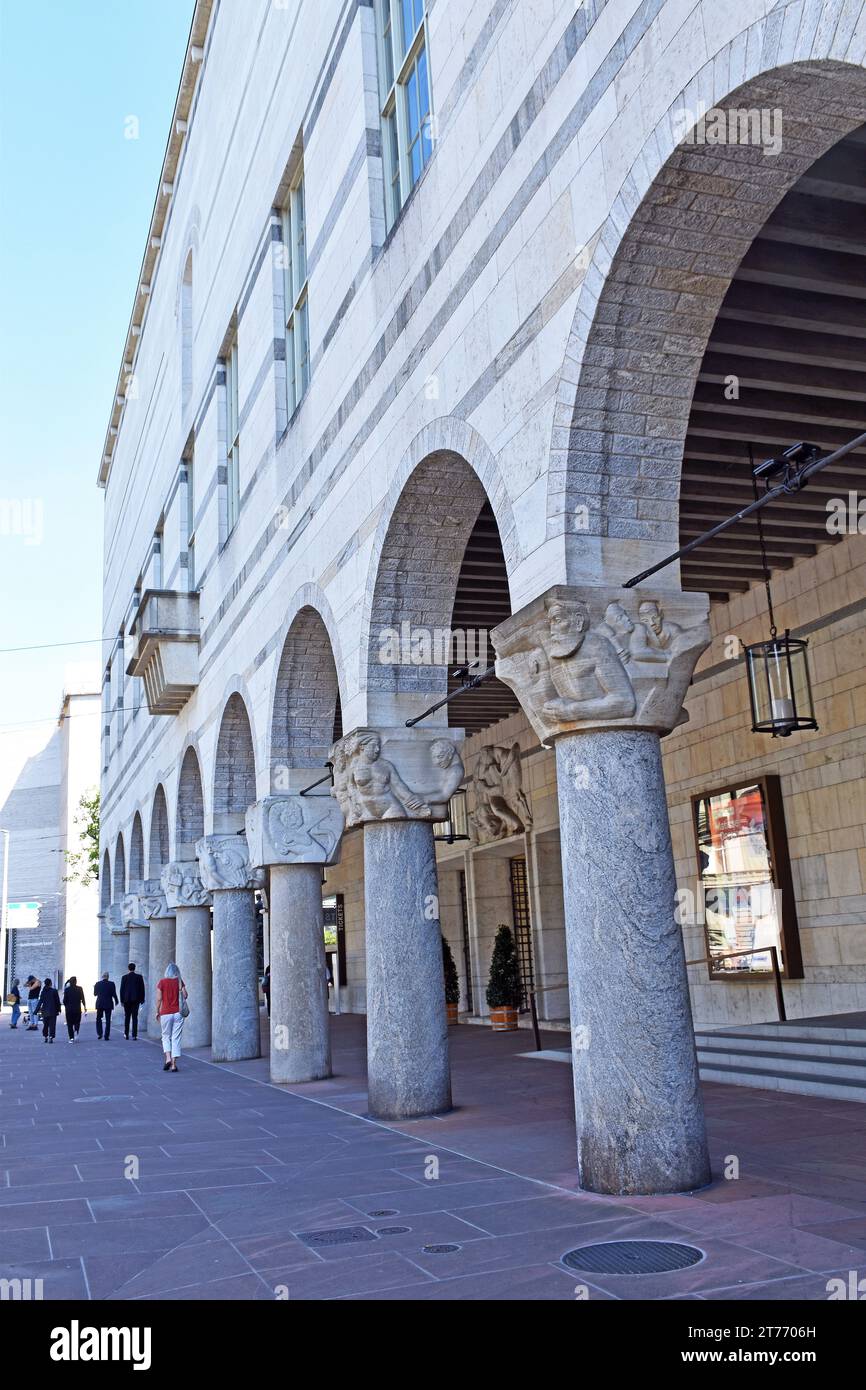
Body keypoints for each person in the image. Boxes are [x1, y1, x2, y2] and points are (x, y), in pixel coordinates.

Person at [156, 962, 187, 1073]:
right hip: (178, 1013)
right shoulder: (179, 981)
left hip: (165, 1012)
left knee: (165, 1036)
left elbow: (159, 998)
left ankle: (168, 1058)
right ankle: (174, 1065)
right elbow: (185, 995)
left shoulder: (162, 982)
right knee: (176, 1037)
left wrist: (157, 1011)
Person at [120, 962, 146, 1039]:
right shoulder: (139, 977)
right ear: (135, 968)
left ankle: (126, 1034)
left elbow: (122, 990)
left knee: (127, 1017)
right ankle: (134, 1035)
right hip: (136, 1000)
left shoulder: (124, 977)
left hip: (126, 1000)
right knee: (135, 1017)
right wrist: (142, 999)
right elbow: (142, 989)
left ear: (128, 968)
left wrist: (122, 1000)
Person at [93, 972, 118, 1040]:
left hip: (100, 1004)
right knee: (108, 1020)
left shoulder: (97, 984)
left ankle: (100, 1033)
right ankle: (106, 1036)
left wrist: (95, 988)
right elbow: (114, 994)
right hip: (108, 1004)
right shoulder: (111, 984)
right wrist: (116, 1001)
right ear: (108, 977)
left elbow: (95, 994)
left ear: (102, 977)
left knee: (98, 1019)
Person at [62, 976, 86, 1042]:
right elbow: (83, 998)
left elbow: (64, 1001)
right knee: (77, 1022)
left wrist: (66, 1005)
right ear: (76, 981)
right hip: (77, 1009)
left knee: (69, 1024)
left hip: (69, 1010)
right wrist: (85, 1007)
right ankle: (76, 1032)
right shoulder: (80, 988)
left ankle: (71, 1038)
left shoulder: (67, 990)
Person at [37, 977, 61, 1043]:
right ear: (50, 983)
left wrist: (36, 1010)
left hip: (44, 1011)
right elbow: (57, 1001)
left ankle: (45, 1036)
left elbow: (40, 1001)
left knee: (45, 1025)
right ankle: (51, 1037)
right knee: (52, 1025)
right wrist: (59, 1009)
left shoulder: (43, 992)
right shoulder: (54, 991)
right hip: (53, 1011)